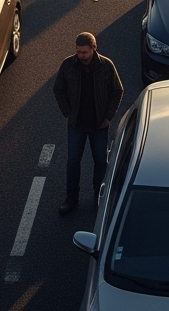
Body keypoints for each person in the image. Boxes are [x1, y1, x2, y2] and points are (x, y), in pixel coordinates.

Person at [53, 32, 124, 215]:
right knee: (73, 162)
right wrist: (68, 113)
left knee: (101, 161)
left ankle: (98, 198)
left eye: (84, 52)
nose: (81, 56)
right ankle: (71, 198)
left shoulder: (106, 67)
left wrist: (108, 116)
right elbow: (58, 89)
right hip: (77, 124)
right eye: (78, 52)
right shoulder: (68, 66)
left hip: (99, 125)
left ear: (94, 48)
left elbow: (117, 90)